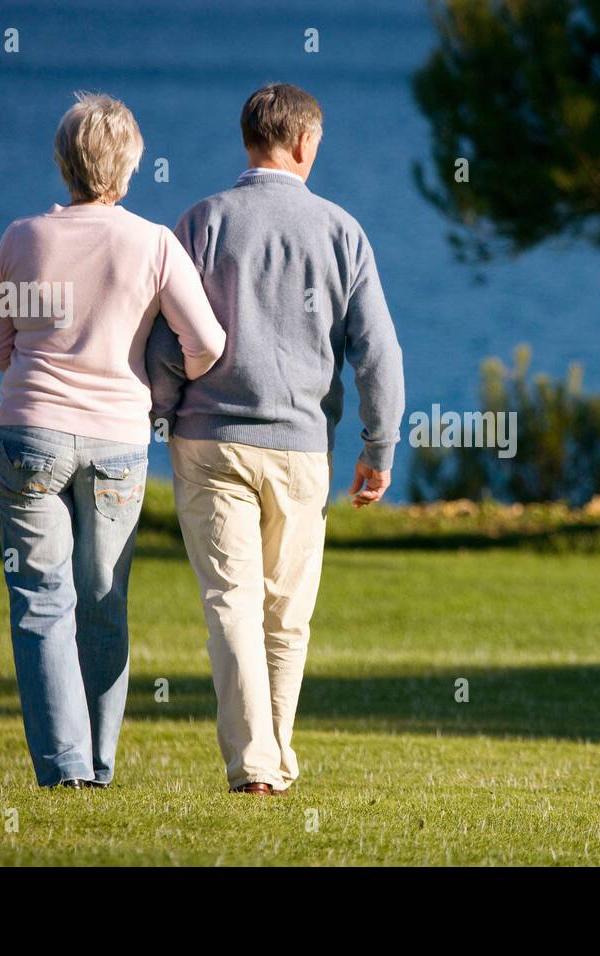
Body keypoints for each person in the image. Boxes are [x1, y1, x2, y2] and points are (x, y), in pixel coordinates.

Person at [147, 82, 405, 796]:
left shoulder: (201, 223)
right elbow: (378, 352)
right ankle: (270, 760)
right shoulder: (341, 230)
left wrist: (163, 409)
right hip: (299, 448)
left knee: (230, 602)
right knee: (286, 614)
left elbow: (169, 341)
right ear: (304, 145)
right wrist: (377, 451)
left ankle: (257, 765)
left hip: (208, 440)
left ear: (247, 140)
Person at [0, 92, 226, 788]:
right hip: (120, 441)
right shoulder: (153, 243)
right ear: (130, 168)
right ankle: (99, 764)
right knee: (103, 601)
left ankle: (64, 771)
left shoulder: (21, 237)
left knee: (39, 602)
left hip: (29, 434)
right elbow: (206, 343)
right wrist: (156, 378)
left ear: (64, 162)